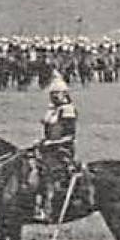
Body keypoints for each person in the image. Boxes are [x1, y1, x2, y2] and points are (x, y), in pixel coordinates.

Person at [33, 74, 79, 222]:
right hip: (48, 148)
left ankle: (47, 208)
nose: (52, 97)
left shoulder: (67, 110)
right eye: (51, 94)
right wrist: (42, 142)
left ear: (64, 94)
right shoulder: (53, 109)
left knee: (47, 171)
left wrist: (51, 143)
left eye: (55, 94)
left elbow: (69, 136)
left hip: (62, 150)